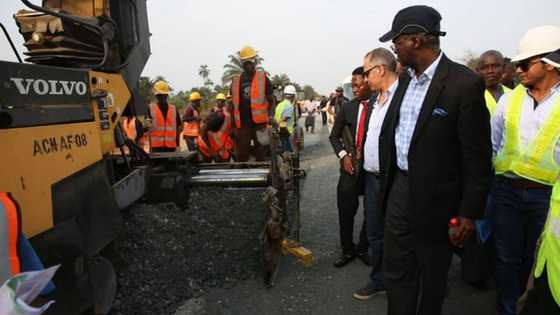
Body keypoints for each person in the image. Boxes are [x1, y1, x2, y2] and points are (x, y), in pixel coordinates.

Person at [377, 6, 492, 315]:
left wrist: (468, 214)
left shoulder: (463, 84)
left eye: (396, 42)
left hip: (439, 200)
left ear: (415, 41)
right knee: (398, 270)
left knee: (433, 275)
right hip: (400, 189)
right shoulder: (405, 80)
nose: (394, 48)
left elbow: (477, 157)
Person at [490, 26, 560, 315]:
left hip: (547, 198)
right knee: (506, 257)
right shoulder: (510, 99)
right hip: (506, 191)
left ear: (550, 62)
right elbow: (493, 145)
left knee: (539, 259)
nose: (516, 69)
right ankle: (509, 308)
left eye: (525, 63)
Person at [353, 48, 398, 300]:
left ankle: (402, 280)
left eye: (367, 72)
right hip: (372, 179)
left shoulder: (403, 96)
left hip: (395, 180)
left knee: (399, 234)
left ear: (380, 70)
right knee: (375, 233)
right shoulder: (373, 101)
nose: (365, 78)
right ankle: (379, 279)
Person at [328, 66, 372, 268]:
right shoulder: (347, 108)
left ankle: (363, 247)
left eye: (357, 85)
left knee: (372, 212)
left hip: (372, 171)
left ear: (368, 82)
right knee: (346, 211)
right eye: (352, 85)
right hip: (350, 169)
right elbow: (334, 136)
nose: (354, 89)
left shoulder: (381, 107)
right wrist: (344, 155)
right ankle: (347, 250)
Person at [230, 45, 275, 162]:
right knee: (242, 153)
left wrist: (271, 116)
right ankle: (242, 176)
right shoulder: (235, 81)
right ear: (242, 64)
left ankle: (265, 177)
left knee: (261, 152)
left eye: (250, 62)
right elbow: (232, 105)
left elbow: (271, 100)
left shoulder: (263, 78)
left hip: (260, 125)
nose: (248, 65)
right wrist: (232, 126)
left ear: (255, 61)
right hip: (243, 125)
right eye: (246, 63)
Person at [148, 81, 182, 153]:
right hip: (156, 147)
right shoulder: (150, 109)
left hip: (171, 146)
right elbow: (147, 128)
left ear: (167, 95)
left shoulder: (174, 109)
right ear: (156, 96)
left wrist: (178, 145)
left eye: (163, 95)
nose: (162, 97)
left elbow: (178, 128)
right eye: (159, 95)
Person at [477, 50, 512, 117]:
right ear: (477, 71)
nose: (490, 71)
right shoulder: (471, 95)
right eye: (484, 68)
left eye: (495, 66)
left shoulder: (513, 94)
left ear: (504, 68)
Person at [274, 85, 296, 152]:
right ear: (293, 96)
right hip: (286, 130)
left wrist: (276, 124)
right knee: (288, 150)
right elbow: (285, 118)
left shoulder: (280, 104)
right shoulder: (289, 105)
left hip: (278, 129)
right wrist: (278, 123)